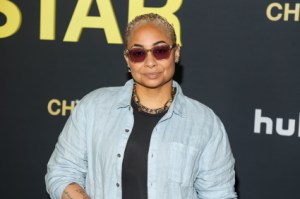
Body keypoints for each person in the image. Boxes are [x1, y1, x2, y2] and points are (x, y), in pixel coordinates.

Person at [45, 13, 237, 199]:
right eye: (138, 53)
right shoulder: (93, 108)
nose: (150, 62)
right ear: (128, 60)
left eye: (160, 50)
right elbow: (62, 173)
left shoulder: (205, 123)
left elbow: (219, 194)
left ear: (176, 53)